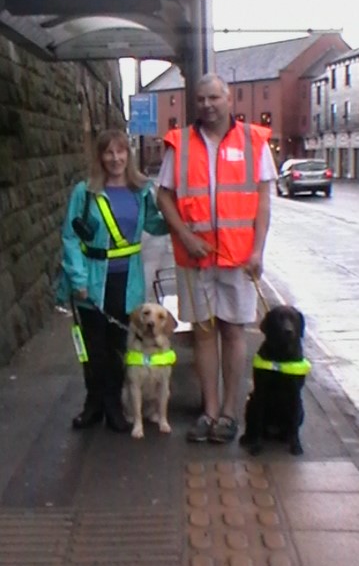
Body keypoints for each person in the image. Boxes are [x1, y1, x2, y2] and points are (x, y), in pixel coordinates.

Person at [157, 73, 277, 443]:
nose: (207, 105)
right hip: (195, 258)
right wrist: (186, 236)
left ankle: (230, 413)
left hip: (239, 258)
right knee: (203, 333)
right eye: (201, 99)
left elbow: (262, 201)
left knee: (234, 331)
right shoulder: (180, 143)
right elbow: (164, 196)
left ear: (228, 99)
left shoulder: (254, 140)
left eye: (214, 98)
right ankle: (208, 413)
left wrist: (258, 250)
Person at [57, 129, 168, 432]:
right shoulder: (85, 192)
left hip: (126, 280)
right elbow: (70, 237)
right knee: (94, 347)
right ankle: (94, 405)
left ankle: (115, 408)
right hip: (92, 279)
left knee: (119, 346)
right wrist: (77, 278)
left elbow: (157, 224)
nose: (115, 158)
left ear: (128, 154)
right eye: (108, 152)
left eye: (121, 151)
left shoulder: (141, 190)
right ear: (100, 156)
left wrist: (177, 213)